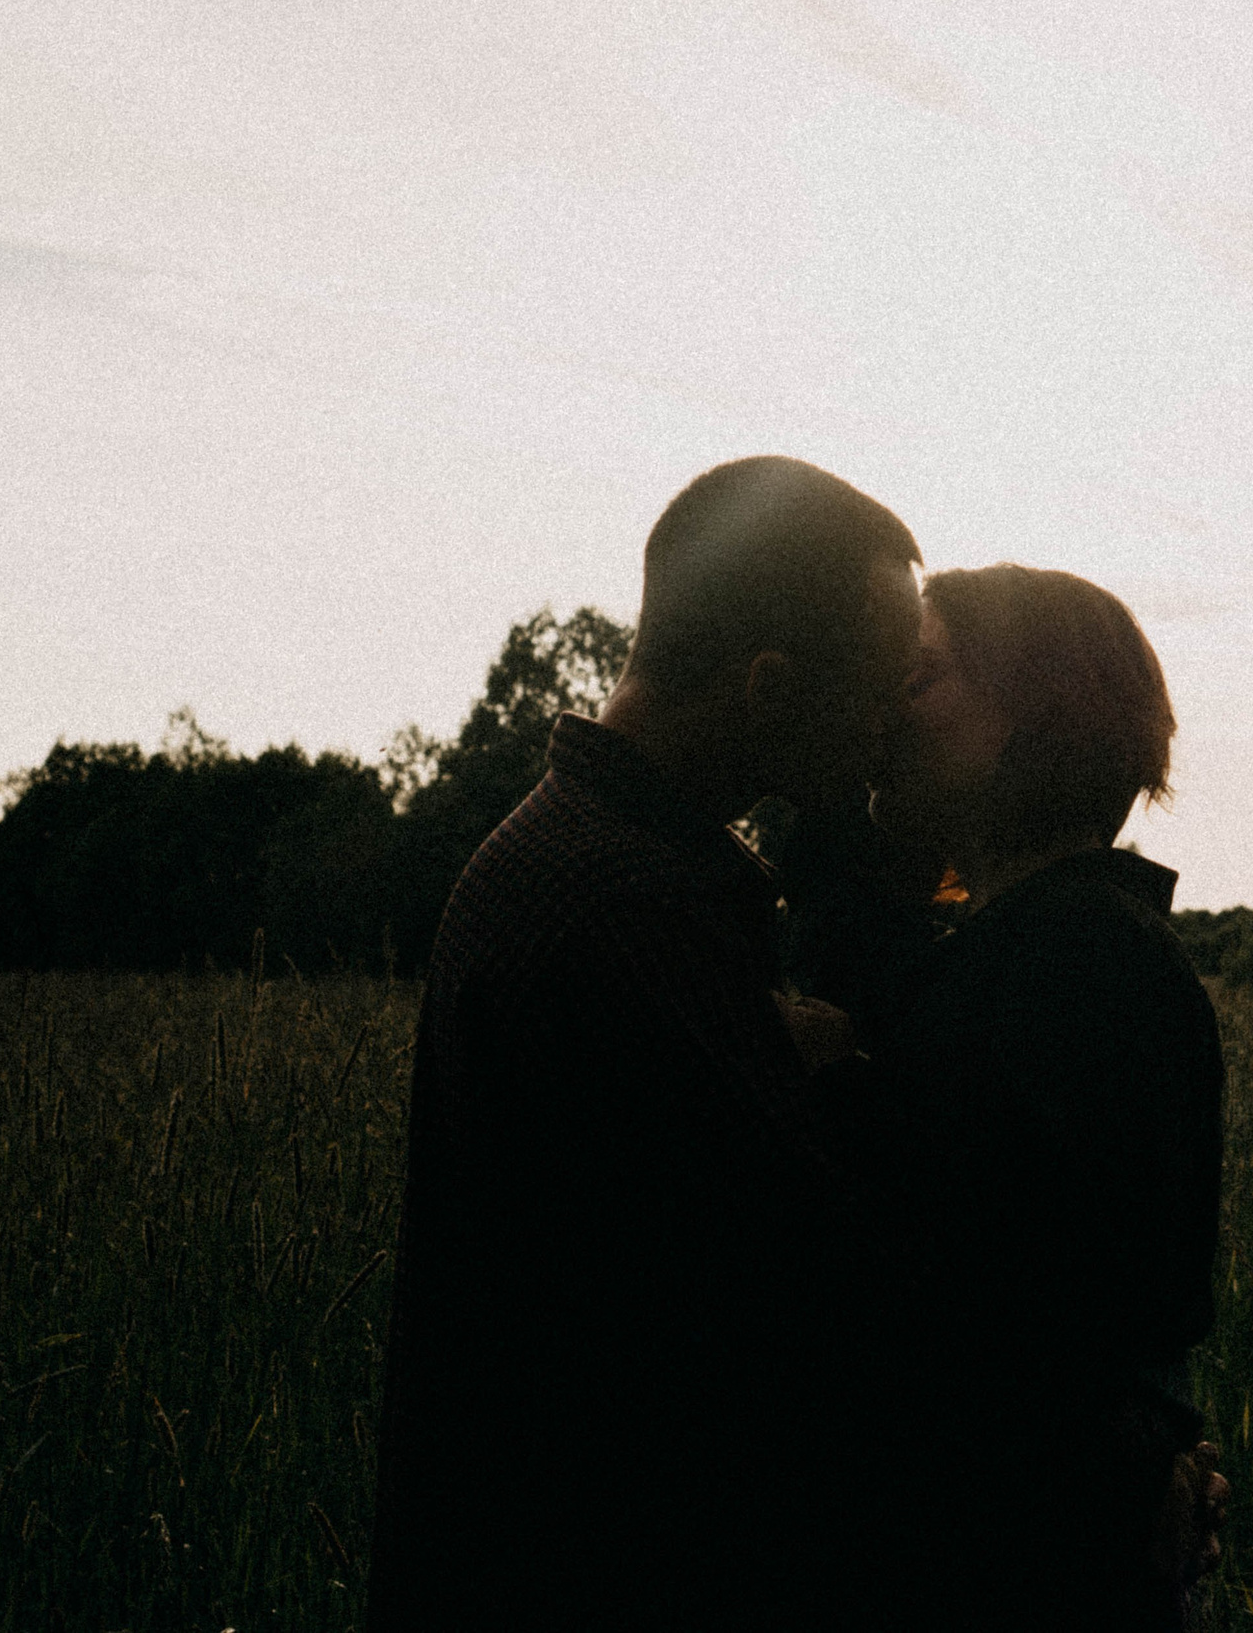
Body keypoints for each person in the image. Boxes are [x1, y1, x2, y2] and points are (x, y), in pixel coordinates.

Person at [367, 457, 923, 1630]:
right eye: (876, 695)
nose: (890, 734)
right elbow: (804, 1300)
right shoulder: (627, 913)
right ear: (770, 688)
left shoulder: (580, 859)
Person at [781, 563, 1230, 1631]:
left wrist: (831, 1082)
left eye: (922, 677)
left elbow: (997, 1308)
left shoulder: (1079, 960)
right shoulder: (1032, 945)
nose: (887, 707)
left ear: (1032, 715)